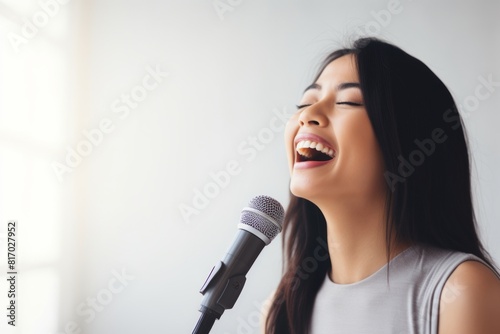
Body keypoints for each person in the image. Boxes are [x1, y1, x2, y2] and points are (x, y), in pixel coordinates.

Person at [263, 37, 500, 334]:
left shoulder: (461, 292)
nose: (307, 116)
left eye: (347, 102)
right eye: (306, 103)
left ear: (406, 139)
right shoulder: (284, 307)